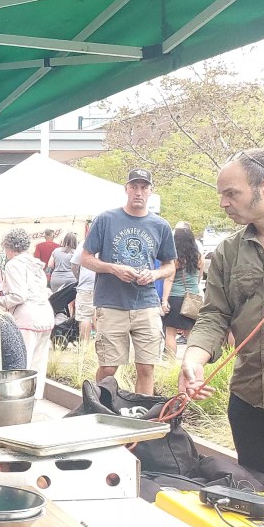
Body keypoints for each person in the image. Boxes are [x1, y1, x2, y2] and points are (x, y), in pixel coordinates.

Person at [181, 149, 264, 478]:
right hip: (249, 402)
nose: (223, 202)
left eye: (231, 193)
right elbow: (214, 316)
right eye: (221, 194)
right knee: (261, 506)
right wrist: (193, 360)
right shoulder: (228, 250)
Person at [80, 168, 175, 396]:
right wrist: (113, 268)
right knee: (109, 367)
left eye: (144, 187)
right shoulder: (106, 219)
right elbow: (85, 258)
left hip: (146, 303)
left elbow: (170, 265)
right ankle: (102, 408)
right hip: (111, 302)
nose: (138, 192)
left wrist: (154, 274)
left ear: (151, 191)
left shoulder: (160, 225)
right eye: (134, 187)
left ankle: (141, 412)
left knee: (145, 366)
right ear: (126, 189)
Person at [0, 227, 55, 399]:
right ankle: (34, 399)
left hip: (27, 318)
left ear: (9, 248)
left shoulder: (14, 265)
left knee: (22, 364)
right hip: (45, 315)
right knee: (38, 364)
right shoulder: (35, 264)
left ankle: (20, 401)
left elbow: (18, 295)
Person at [163, 224, 204, 358]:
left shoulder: (175, 259)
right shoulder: (198, 257)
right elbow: (199, 277)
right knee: (191, 332)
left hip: (175, 297)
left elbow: (169, 280)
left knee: (170, 333)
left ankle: (170, 363)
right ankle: (191, 360)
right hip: (193, 298)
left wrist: (164, 301)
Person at [72, 241, 97, 343]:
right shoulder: (108, 240)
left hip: (86, 286)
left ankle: (85, 347)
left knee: (85, 316)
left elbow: (74, 265)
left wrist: (78, 278)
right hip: (103, 286)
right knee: (100, 316)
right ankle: (101, 344)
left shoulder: (85, 243)